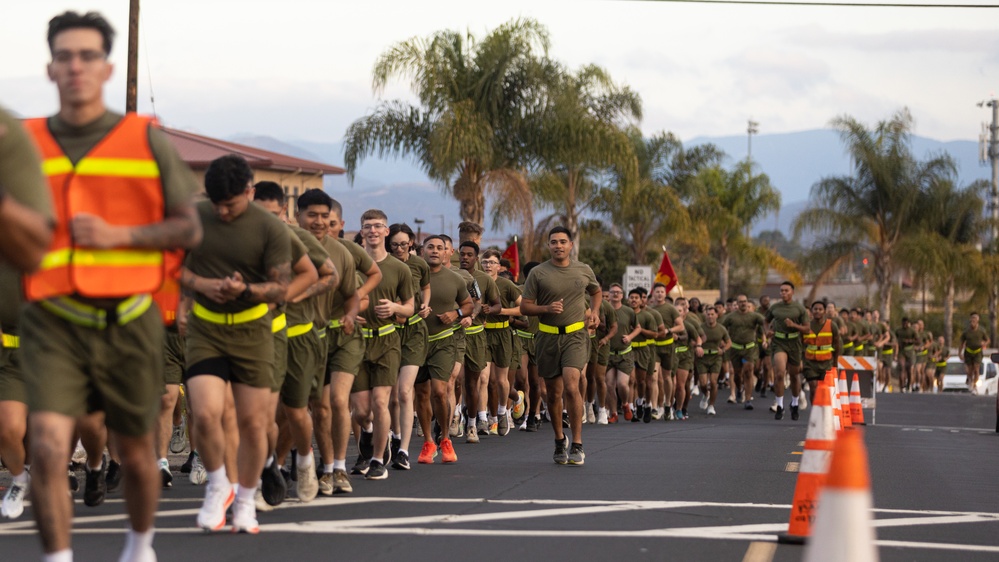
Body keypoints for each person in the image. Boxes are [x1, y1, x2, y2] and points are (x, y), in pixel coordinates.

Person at [20, 11, 202, 560]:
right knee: (49, 449)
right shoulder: (24, 143)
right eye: (65, 56)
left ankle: (139, 545)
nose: (76, 66)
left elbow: (188, 226)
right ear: (50, 68)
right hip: (51, 318)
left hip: (129, 319)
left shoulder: (144, 139)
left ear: (105, 67)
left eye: (88, 56)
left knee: (137, 454)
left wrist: (120, 234)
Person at [180, 154, 289, 533]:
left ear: (249, 191)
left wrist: (245, 290)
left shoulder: (269, 228)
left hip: (252, 332)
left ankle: (245, 501)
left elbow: (281, 287)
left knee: (253, 423)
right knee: (207, 413)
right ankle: (217, 485)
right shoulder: (193, 217)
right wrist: (200, 285)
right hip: (206, 330)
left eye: (231, 204)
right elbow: (170, 266)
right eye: (216, 204)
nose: (222, 212)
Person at [296, 190, 365, 495]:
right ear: (298, 215)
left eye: (325, 216)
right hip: (307, 339)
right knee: (319, 408)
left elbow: (353, 296)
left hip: (344, 337)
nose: (319, 221)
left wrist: (351, 314)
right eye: (312, 215)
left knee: (338, 401)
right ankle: (325, 468)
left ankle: (340, 468)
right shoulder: (286, 245)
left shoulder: (342, 253)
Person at [521, 227, 601, 464]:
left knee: (572, 384)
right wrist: (545, 309)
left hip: (575, 335)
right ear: (548, 246)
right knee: (553, 394)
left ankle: (577, 443)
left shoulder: (583, 269)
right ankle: (559, 439)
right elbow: (525, 307)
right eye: (553, 242)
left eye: (563, 242)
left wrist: (595, 312)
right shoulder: (538, 273)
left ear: (571, 245)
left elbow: (596, 292)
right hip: (547, 337)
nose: (558, 246)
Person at [351, 210, 414, 480]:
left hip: (387, 340)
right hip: (355, 342)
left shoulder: (399, 268)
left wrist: (396, 307)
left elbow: (411, 307)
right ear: (362, 231)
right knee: (362, 411)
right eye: (368, 226)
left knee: (381, 402)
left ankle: (378, 458)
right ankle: (367, 432)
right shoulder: (352, 263)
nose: (373, 230)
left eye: (378, 226)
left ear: (387, 232)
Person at [414, 235, 472, 464]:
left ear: (447, 252)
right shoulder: (412, 276)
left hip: (444, 340)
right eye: (430, 247)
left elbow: (469, 305)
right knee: (422, 393)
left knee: (439, 390)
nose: (435, 251)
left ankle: (445, 438)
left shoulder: (454, 279)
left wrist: (455, 314)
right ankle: (428, 442)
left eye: (440, 248)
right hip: (416, 341)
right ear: (422, 251)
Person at [386, 223, 429, 469]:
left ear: (411, 243)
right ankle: (394, 435)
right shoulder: (382, 265)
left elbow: (426, 287)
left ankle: (403, 450)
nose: (400, 248)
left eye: (404, 243)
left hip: (413, 332)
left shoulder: (419, 264)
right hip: (390, 332)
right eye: (395, 244)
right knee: (391, 395)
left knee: (404, 391)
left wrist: (424, 306)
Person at [764, 281, 808, 421]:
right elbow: (766, 321)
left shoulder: (799, 308)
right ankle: (780, 405)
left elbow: (807, 329)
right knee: (779, 374)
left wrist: (794, 325)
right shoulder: (775, 307)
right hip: (779, 342)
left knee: (794, 376)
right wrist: (768, 331)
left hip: (794, 343)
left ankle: (794, 404)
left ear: (792, 292)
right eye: (781, 290)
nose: (783, 293)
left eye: (786, 290)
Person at [722, 295, 766, 410]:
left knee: (748, 370)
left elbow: (765, 323)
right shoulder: (731, 317)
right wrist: (723, 342)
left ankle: (748, 399)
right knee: (737, 375)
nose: (743, 304)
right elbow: (722, 329)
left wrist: (768, 335)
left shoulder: (754, 316)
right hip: (735, 349)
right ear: (737, 303)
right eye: (741, 302)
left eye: (745, 301)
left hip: (750, 348)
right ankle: (739, 388)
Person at [801, 300, 841, 402]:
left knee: (825, 390)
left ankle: (824, 411)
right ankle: (815, 411)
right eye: (815, 309)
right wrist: (801, 360)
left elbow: (836, 344)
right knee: (813, 388)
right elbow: (800, 344)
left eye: (820, 309)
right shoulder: (806, 326)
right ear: (811, 311)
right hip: (810, 363)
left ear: (824, 311)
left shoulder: (832, 325)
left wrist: (835, 364)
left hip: (826, 363)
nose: (817, 311)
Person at [694, 306, 730, 416]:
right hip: (702, 358)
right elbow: (694, 339)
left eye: (712, 314)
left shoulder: (721, 328)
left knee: (714, 382)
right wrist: (697, 346)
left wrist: (723, 350)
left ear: (717, 315)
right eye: (708, 314)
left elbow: (729, 342)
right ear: (705, 315)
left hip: (716, 358)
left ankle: (711, 405)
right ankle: (705, 395)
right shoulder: (700, 327)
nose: (710, 316)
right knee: (703, 384)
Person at [959, 312, 990, 394]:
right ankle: (969, 379)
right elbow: (961, 343)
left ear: (977, 321)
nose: (973, 321)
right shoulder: (966, 332)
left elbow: (987, 340)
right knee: (969, 370)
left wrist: (984, 344)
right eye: (972, 319)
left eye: (975, 319)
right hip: (968, 352)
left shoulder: (981, 331)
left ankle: (974, 386)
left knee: (976, 369)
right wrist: (959, 353)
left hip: (977, 352)